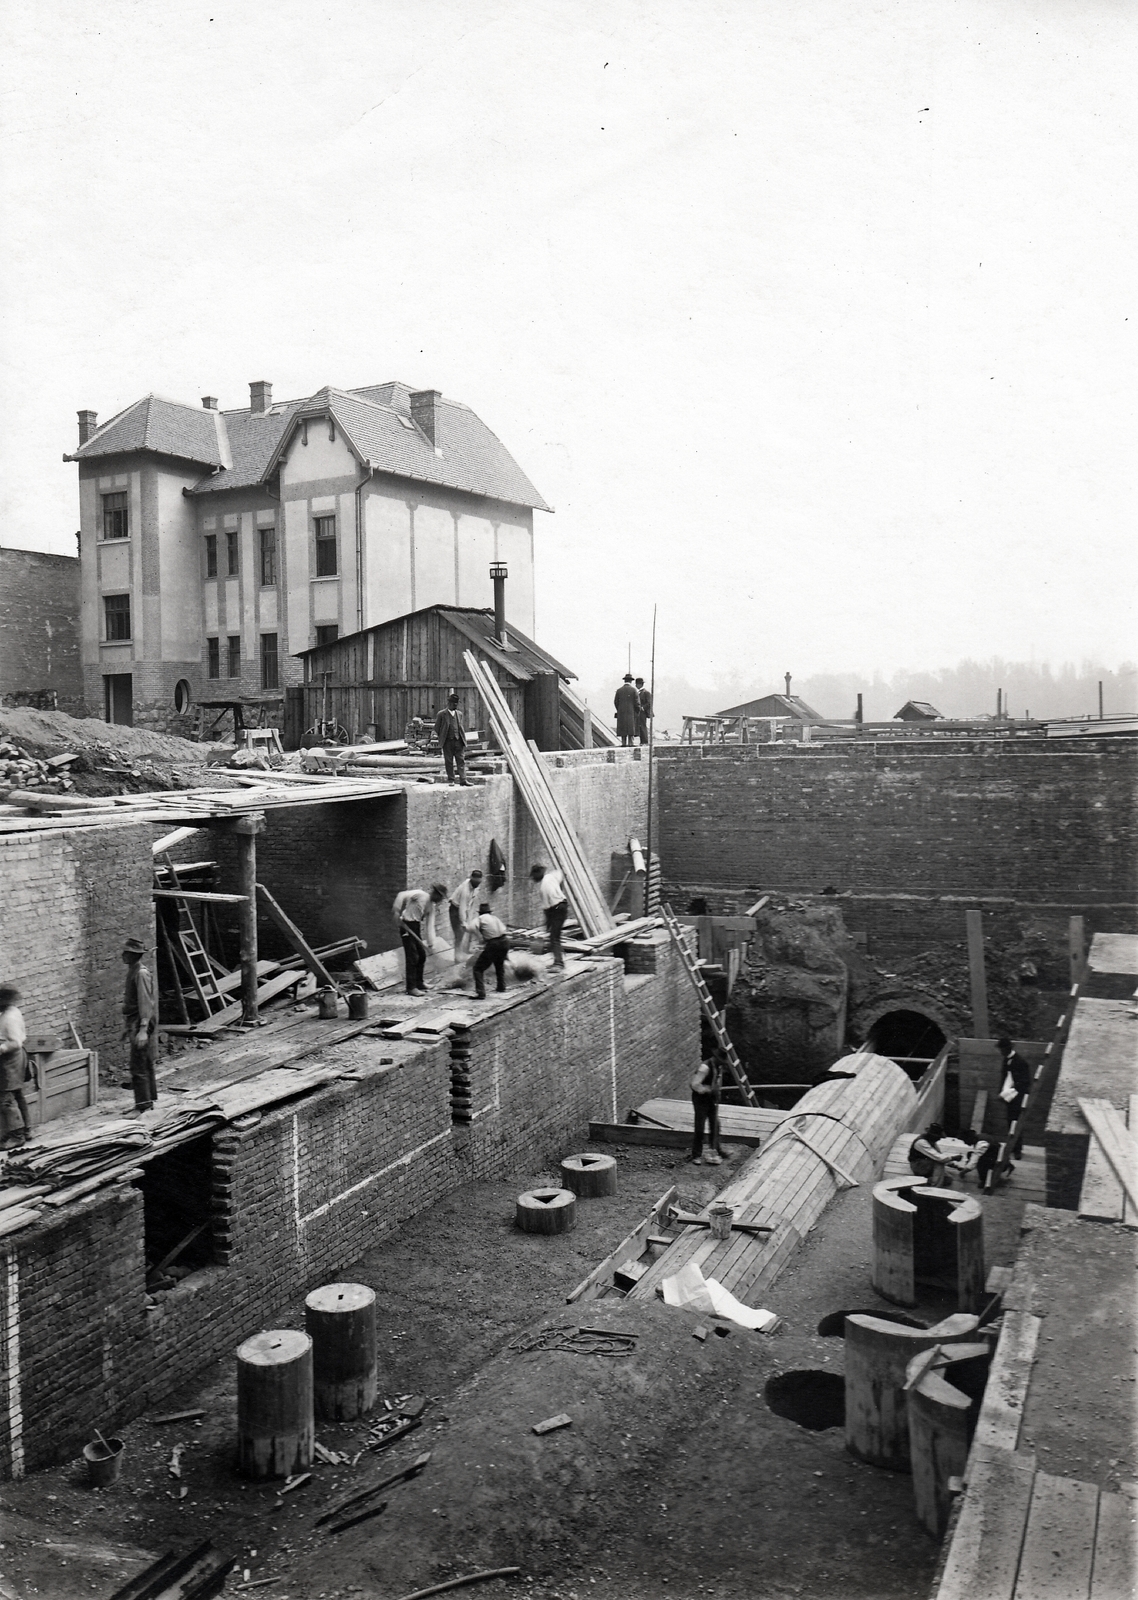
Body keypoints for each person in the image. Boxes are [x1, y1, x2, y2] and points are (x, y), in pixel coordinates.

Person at [122, 936, 158, 1113]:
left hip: (141, 1020)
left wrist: (142, 1029)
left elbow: (145, 1002)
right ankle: (148, 1100)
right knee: (145, 1060)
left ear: (133, 955)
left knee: (138, 1064)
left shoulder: (141, 973)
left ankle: (142, 1105)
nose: (123, 955)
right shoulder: (133, 970)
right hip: (135, 1020)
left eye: (127, 953)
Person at [393, 884, 447, 996]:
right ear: (435, 893)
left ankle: (419, 982)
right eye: (440, 896)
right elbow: (401, 894)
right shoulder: (420, 894)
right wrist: (397, 909)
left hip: (415, 926)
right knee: (412, 956)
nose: (440, 899)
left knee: (421, 955)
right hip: (406, 926)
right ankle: (411, 988)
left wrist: (431, 943)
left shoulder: (431, 907)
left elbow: (430, 925)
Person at [0, 985, 37, 1147]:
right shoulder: (12, 1011)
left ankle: (17, 1135)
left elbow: (15, 1042)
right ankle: (27, 1129)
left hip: (11, 1060)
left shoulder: (9, 1018)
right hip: (14, 1058)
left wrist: (1, 1048)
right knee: (17, 1094)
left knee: (6, 1100)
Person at [996, 1036, 1032, 1162]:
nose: (1000, 1052)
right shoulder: (1006, 1060)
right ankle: (1012, 1147)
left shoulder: (1020, 1062)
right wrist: (1003, 1093)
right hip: (1010, 1098)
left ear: (1007, 1049)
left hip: (1018, 1098)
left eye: (1002, 1049)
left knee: (1016, 1123)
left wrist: (1008, 1094)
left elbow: (1024, 1082)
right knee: (1010, 1122)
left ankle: (1017, 1150)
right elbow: (1005, 1078)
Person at [529, 863, 568, 970]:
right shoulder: (551, 876)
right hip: (563, 905)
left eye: (534, 877)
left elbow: (547, 908)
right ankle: (558, 959)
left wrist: (547, 924)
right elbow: (561, 874)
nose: (534, 879)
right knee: (555, 936)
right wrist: (560, 890)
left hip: (556, 909)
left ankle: (559, 964)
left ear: (538, 874)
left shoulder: (543, 887)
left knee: (554, 938)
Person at [468, 903, 511, 999]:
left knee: (477, 969)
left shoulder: (480, 919)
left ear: (480, 913)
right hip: (505, 941)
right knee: (499, 964)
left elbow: (470, 927)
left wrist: (479, 937)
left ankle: (481, 993)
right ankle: (501, 987)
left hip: (494, 944)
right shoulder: (495, 918)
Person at [689, 1055, 725, 1165]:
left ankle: (716, 1150)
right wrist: (706, 1089)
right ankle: (696, 1155)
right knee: (700, 1126)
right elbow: (694, 1084)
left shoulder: (718, 1067)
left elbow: (717, 1081)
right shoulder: (704, 1068)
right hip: (701, 1100)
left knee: (715, 1124)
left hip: (711, 1099)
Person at [448, 869, 484, 961]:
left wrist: (470, 919)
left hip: (465, 908)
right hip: (455, 909)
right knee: (459, 933)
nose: (477, 884)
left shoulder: (476, 887)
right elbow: (462, 908)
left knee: (468, 929)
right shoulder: (465, 890)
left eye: (479, 882)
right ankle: (457, 957)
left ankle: (465, 950)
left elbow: (471, 903)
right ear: (471, 879)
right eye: (476, 881)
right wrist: (464, 922)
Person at [434, 693, 469, 786]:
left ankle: (463, 780)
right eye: (453, 704)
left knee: (461, 760)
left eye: (456, 704)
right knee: (449, 761)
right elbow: (436, 729)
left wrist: (461, 739)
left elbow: (460, 727)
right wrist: (441, 738)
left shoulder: (459, 714)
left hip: (458, 741)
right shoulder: (441, 714)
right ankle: (451, 780)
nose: (455, 706)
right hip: (447, 742)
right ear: (449, 703)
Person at [614, 674, 639, 746]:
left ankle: (623, 743)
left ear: (624, 681)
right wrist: (636, 711)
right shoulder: (634, 690)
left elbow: (615, 702)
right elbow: (637, 703)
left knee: (623, 728)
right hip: (631, 713)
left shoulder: (619, 690)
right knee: (631, 728)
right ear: (631, 681)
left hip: (621, 713)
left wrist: (619, 709)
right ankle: (631, 743)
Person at [635, 677, 653, 745]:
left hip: (643, 712)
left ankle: (645, 741)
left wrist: (643, 708)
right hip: (639, 712)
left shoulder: (646, 693)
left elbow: (649, 703)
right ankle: (642, 741)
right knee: (640, 726)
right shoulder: (637, 692)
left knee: (642, 725)